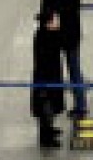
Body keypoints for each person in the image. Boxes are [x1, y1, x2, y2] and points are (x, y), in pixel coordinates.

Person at [41, 0, 87, 115]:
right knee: (73, 69)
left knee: (58, 71)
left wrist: (49, 18)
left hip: (57, 35)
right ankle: (79, 105)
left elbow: (47, 9)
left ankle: (60, 105)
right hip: (70, 33)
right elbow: (72, 6)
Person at [29, 9, 67, 147]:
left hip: (52, 76)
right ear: (48, 23)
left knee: (51, 105)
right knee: (46, 106)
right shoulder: (43, 37)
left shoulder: (48, 34)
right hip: (45, 78)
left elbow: (62, 41)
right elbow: (45, 58)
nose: (57, 23)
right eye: (54, 20)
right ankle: (45, 138)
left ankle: (49, 129)